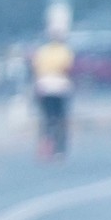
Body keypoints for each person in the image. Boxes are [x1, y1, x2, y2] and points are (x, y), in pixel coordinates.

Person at [31, 14, 74, 159]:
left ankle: (46, 147)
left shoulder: (42, 51)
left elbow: (36, 70)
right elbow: (67, 69)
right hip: (60, 87)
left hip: (44, 87)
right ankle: (60, 149)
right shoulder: (64, 51)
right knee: (60, 119)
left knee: (47, 120)